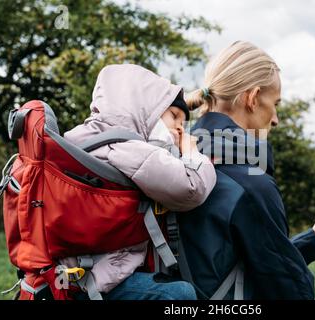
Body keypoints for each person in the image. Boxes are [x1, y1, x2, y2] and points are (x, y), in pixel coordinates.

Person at [178, 41, 315, 299]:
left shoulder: (175, 160)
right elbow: (290, 290)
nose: (275, 119)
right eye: (276, 104)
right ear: (252, 98)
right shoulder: (251, 184)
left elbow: (222, 267)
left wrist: (312, 242)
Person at [63, 64, 217, 299]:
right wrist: (193, 153)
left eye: (184, 123)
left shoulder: (78, 138)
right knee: (180, 294)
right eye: (174, 116)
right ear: (143, 109)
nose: (179, 128)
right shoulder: (126, 148)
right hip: (97, 280)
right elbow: (191, 188)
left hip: (68, 271)